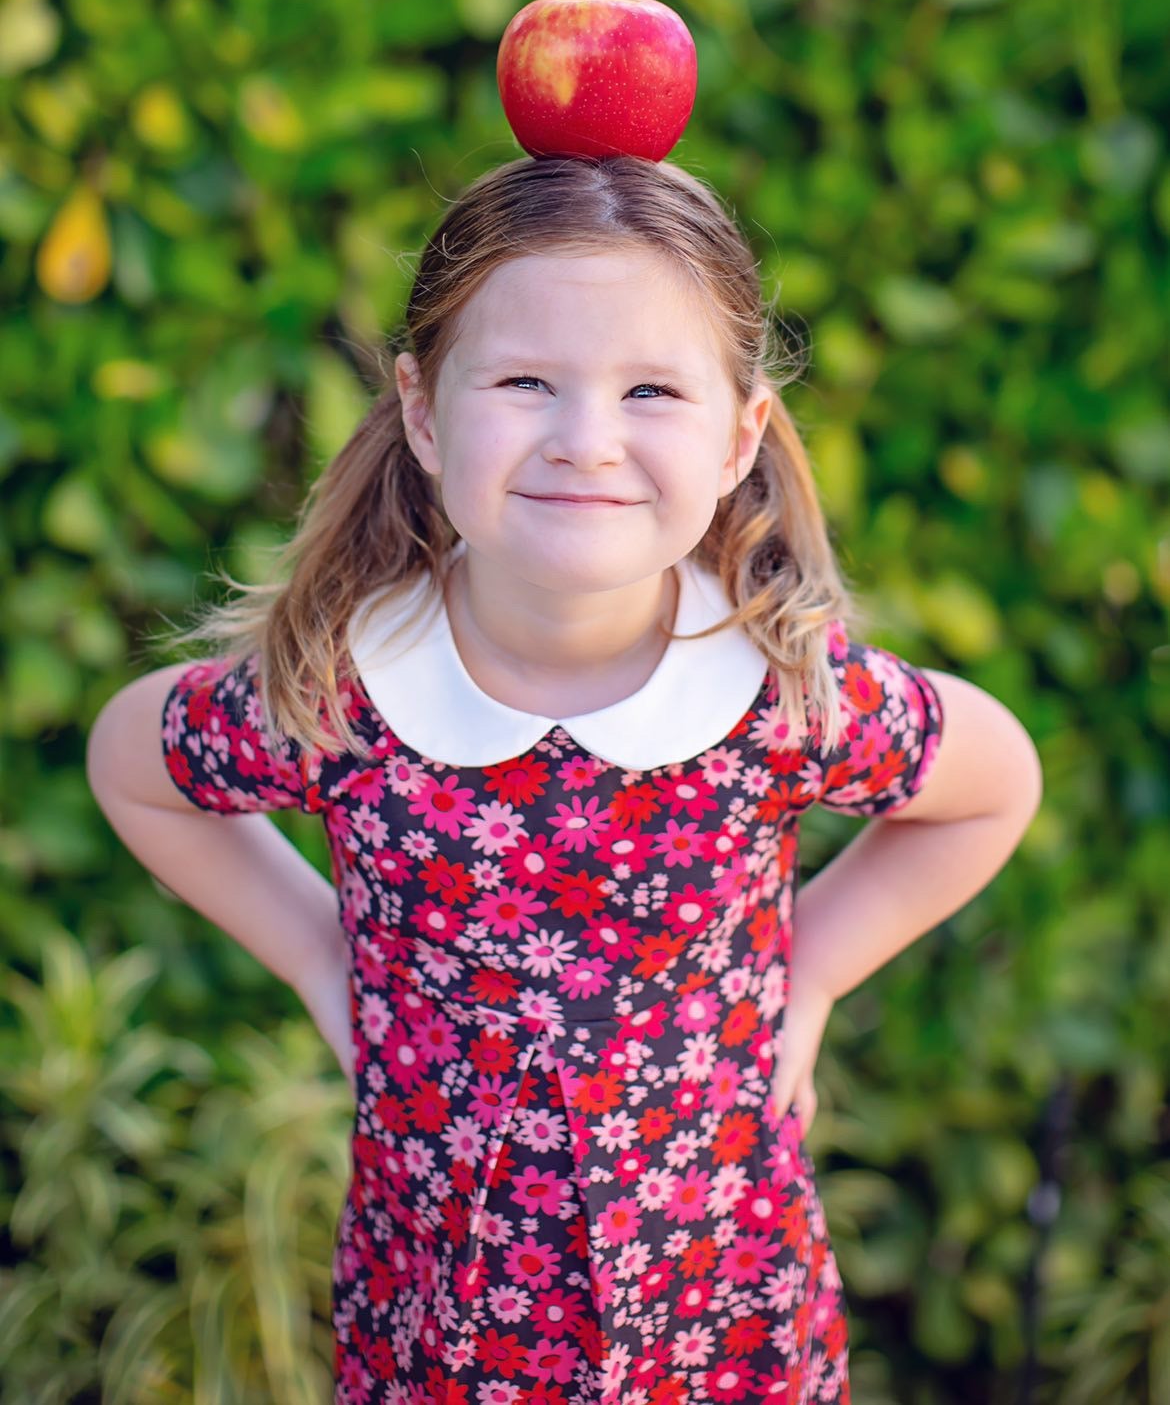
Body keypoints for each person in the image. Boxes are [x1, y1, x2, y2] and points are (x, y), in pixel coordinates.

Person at [87, 152, 1044, 1405]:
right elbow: (134, 763)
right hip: (445, 1334)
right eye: (527, 380)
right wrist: (331, 962)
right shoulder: (352, 695)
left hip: (725, 1316)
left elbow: (993, 781)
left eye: (652, 388)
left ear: (738, 434)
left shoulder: (774, 695)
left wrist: (807, 980)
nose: (587, 440)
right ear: (425, 413)